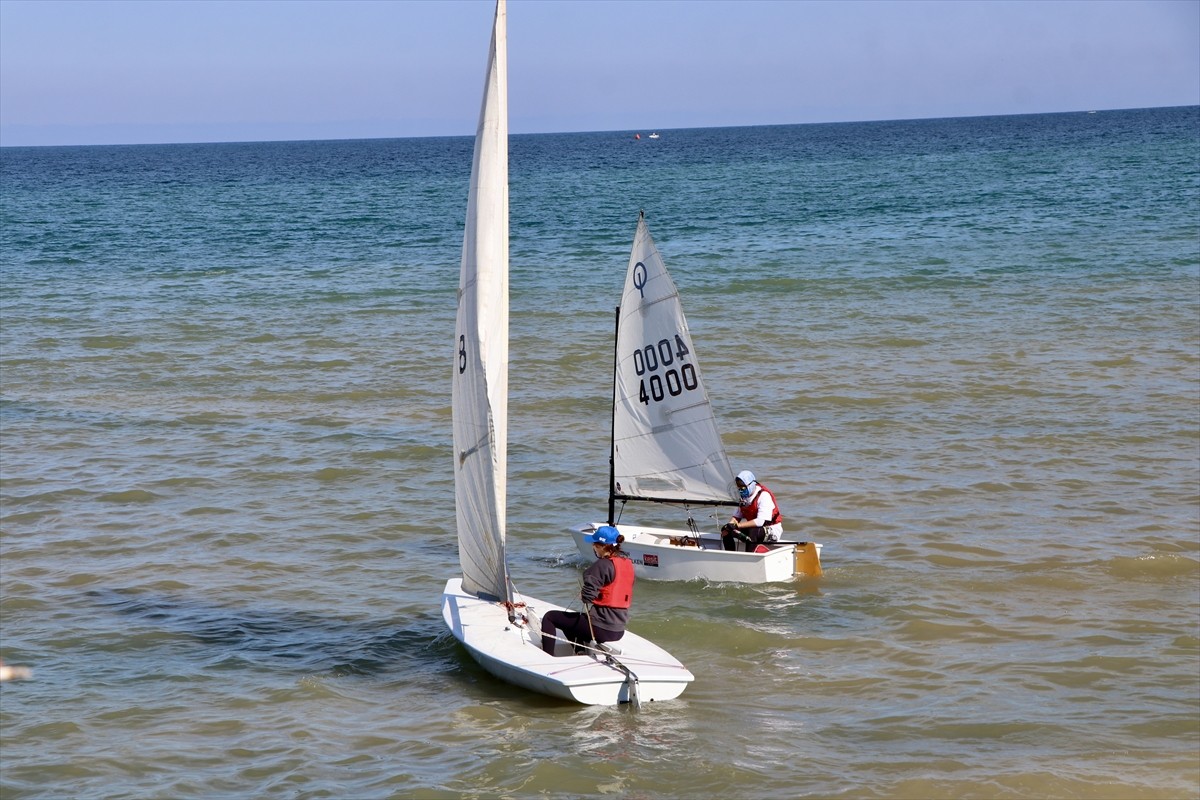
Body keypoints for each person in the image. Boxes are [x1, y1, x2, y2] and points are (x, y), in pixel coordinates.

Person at [540, 525, 634, 656]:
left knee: (550, 617)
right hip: (618, 629)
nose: (593, 547)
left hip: (600, 628)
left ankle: (547, 657)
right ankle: (580, 652)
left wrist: (583, 595)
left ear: (601, 546)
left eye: (594, 544)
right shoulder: (627, 563)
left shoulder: (603, 564)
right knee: (573, 620)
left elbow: (588, 596)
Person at [721, 470, 783, 551]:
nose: (740, 490)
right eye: (738, 488)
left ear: (751, 484)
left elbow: (759, 522)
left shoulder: (764, 496)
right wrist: (729, 525)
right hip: (754, 529)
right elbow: (736, 517)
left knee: (752, 532)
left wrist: (737, 526)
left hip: (772, 531)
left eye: (743, 488)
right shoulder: (742, 498)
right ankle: (730, 556)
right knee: (725, 529)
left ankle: (749, 559)